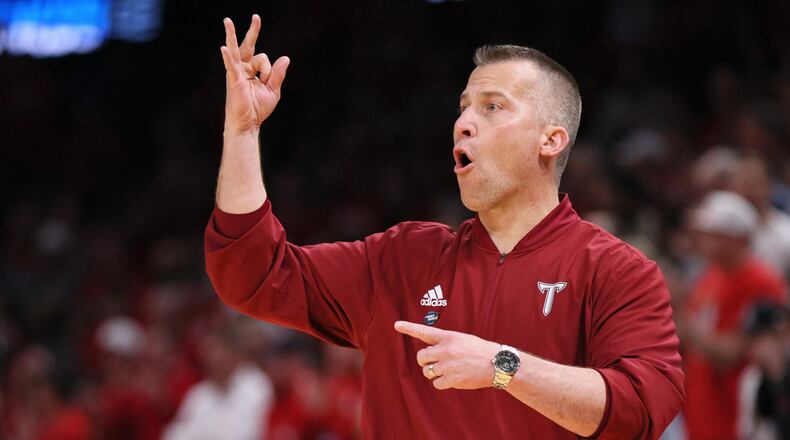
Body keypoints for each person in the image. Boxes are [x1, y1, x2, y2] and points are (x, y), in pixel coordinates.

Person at [205, 14, 684, 439]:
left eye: (492, 106)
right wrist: (243, 131)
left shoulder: (616, 270)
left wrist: (502, 367)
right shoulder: (400, 257)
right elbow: (254, 273)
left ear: (551, 139)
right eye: (464, 107)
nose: (464, 123)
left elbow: (641, 409)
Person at [679, 191, 786, 440]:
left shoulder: (761, 282)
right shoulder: (709, 278)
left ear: (737, 238)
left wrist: (679, 314)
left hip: (738, 420)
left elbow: (729, 354)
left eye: (711, 234)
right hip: (701, 415)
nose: (701, 240)